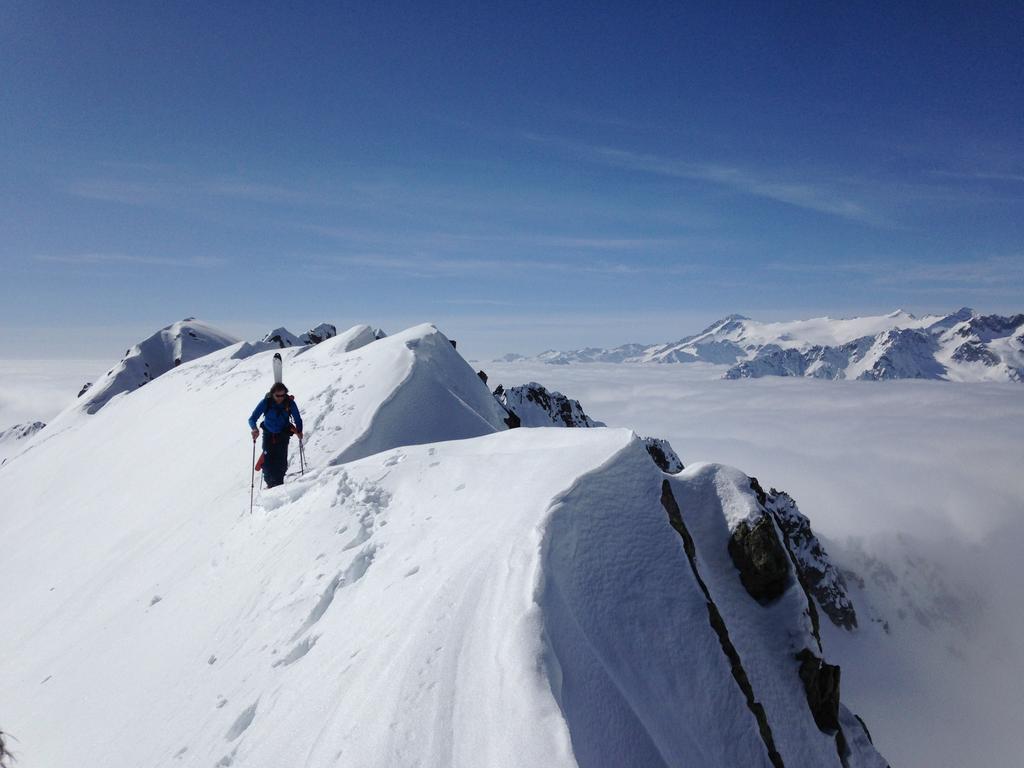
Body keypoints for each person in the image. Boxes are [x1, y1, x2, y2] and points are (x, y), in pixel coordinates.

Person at [248, 382, 303, 488]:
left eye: (283, 395)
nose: (280, 398)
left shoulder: (289, 403)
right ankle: (270, 485)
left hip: (283, 434)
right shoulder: (266, 402)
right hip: (268, 434)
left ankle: (279, 485)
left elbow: (297, 418)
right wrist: (254, 429)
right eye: (278, 395)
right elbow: (252, 418)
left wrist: (299, 431)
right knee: (268, 464)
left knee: (281, 463)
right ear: (272, 394)